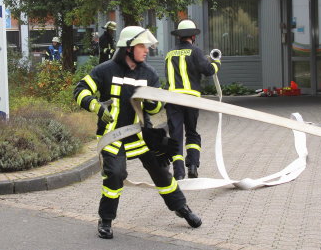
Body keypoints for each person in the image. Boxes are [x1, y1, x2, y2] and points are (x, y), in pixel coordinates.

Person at [74, 26, 202, 239]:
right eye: (142, 45)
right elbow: (80, 90)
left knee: (162, 172)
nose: (146, 50)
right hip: (112, 135)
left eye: (147, 46)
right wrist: (96, 106)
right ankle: (106, 219)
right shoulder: (105, 70)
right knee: (115, 174)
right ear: (128, 48)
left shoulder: (149, 73)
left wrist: (152, 102)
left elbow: (155, 108)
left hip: (140, 135)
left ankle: (182, 208)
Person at [164, 19, 221, 180]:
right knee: (192, 133)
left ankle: (179, 173)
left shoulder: (169, 54)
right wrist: (217, 63)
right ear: (193, 36)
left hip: (172, 100)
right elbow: (208, 70)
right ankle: (193, 166)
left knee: (175, 135)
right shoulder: (195, 52)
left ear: (178, 37)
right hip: (191, 99)